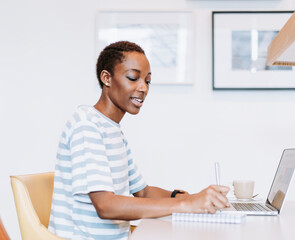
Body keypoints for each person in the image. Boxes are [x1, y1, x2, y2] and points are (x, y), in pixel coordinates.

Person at [48, 41, 230, 240]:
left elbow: (142, 192)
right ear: (106, 78)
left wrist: (191, 197)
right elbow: (106, 206)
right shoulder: (87, 125)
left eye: (147, 80)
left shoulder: (113, 130)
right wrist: (187, 205)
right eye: (133, 78)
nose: (143, 88)